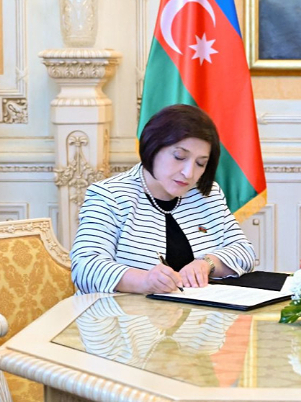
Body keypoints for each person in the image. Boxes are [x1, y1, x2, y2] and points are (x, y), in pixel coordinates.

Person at [71, 104, 256, 294]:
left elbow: (245, 252)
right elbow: (85, 267)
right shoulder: (110, 196)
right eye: (179, 157)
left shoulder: (207, 194)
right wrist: (145, 281)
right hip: (122, 312)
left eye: (200, 163)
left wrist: (207, 263)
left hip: (198, 311)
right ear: (153, 147)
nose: (189, 173)